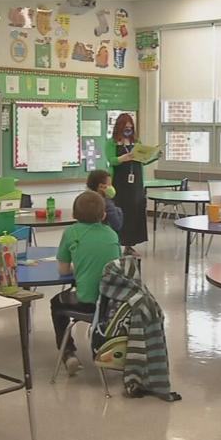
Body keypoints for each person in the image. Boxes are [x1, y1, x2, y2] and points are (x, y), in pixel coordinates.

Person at [51, 190, 121, 372]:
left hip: (87, 302)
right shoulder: (112, 235)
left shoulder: (71, 232)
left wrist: (78, 267)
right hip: (112, 303)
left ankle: (68, 353)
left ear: (74, 215)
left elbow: (63, 270)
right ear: (104, 214)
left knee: (56, 303)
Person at [105, 113, 157, 256]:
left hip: (135, 183)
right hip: (120, 182)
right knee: (120, 212)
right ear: (119, 127)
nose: (128, 129)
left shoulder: (136, 142)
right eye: (126, 127)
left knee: (135, 211)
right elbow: (111, 160)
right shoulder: (112, 143)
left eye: (131, 127)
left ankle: (129, 245)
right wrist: (123, 158)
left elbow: (144, 159)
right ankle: (116, 242)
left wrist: (155, 155)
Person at [86, 169, 123, 233]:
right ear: (101, 186)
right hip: (107, 235)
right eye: (109, 184)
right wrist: (118, 210)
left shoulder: (85, 199)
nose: (111, 187)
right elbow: (117, 225)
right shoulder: (107, 204)